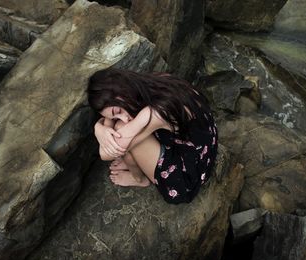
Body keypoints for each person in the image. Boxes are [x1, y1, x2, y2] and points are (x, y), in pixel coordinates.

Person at [86, 67, 218, 204]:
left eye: (118, 110)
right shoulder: (154, 81)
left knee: (120, 129)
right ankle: (134, 159)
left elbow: (105, 154)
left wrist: (100, 129)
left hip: (187, 176)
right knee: (123, 129)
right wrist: (101, 126)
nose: (124, 118)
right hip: (199, 141)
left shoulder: (154, 114)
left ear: (123, 90)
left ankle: (139, 179)